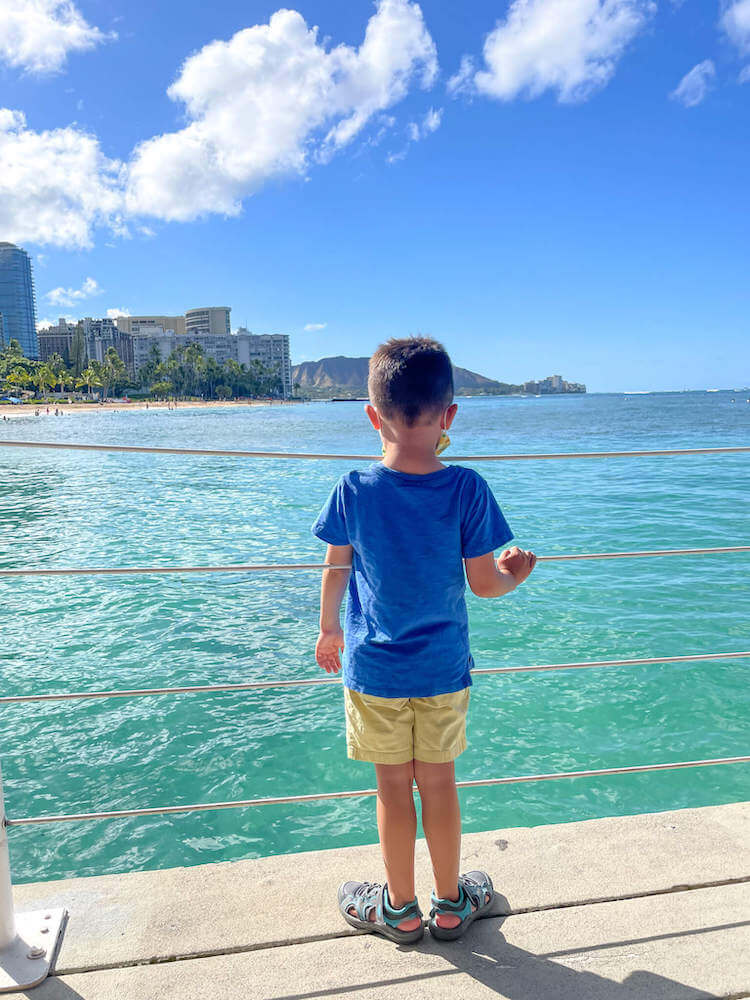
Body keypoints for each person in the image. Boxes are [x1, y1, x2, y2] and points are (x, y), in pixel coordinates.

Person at [312, 337, 536, 945]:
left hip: (375, 669)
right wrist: (519, 572)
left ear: (371, 414)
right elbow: (484, 585)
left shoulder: (353, 488)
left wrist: (330, 628)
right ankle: (450, 904)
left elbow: (335, 569)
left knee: (391, 788)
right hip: (441, 670)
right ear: (449, 416)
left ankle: (400, 910)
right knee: (438, 782)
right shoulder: (466, 488)